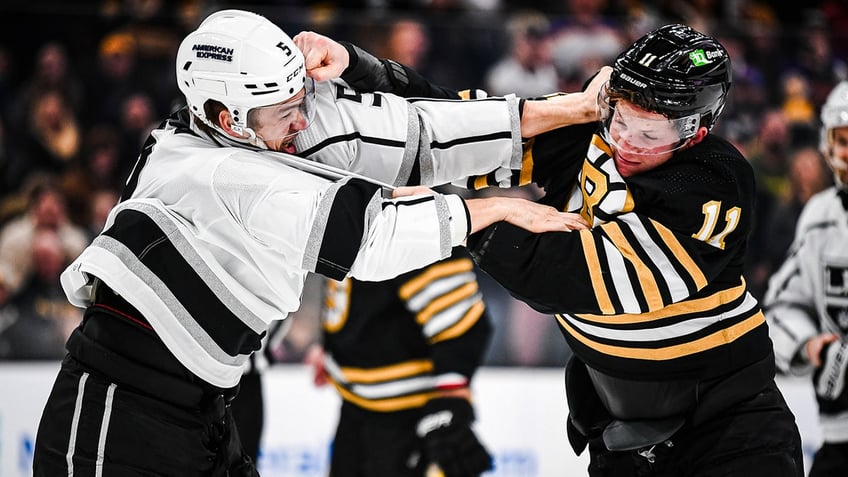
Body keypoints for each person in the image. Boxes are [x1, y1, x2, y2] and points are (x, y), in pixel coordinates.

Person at [32, 9, 591, 477]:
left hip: (204, 403)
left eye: (302, 98)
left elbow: (420, 134)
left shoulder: (257, 127)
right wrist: (495, 209)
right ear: (228, 119)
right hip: (115, 419)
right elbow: (375, 235)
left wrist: (577, 108)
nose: (304, 121)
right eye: (287, 111)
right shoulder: (221, 177)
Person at [304, 23, 805, 476]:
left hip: (728, 430)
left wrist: (476, 220)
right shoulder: (595, 135)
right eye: (620, 119)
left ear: (698, 129)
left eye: (650, 133)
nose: (625, 141)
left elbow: (588, 280)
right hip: (622, 432)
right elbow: (463, 128)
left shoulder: (712, 179)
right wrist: (361, 68)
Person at [306, 246, 493, 477]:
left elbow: (463, 326)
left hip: (406, 419)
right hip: (356, 409)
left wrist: (449, 403)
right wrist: (334, 345)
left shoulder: (410, 214)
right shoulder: (358, 213)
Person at [763, 80, 848, 476]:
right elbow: (782, 304)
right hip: (839, 434)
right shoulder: (820, 215)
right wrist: (809, 344)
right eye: (842, 139)